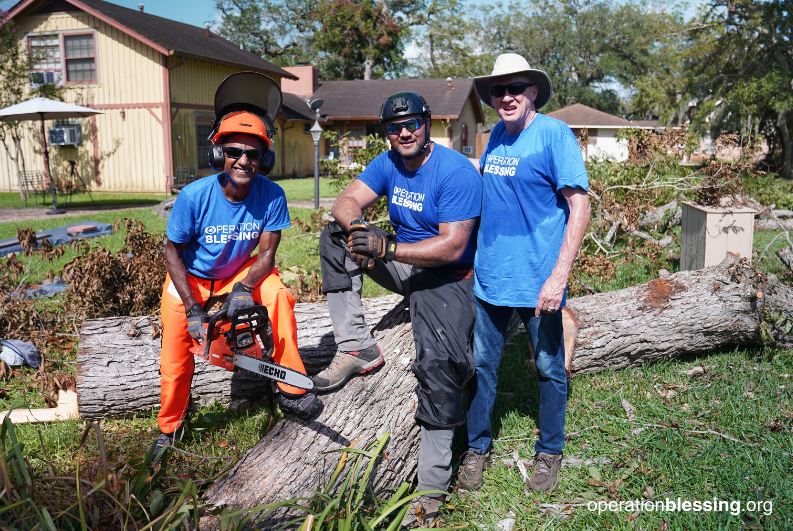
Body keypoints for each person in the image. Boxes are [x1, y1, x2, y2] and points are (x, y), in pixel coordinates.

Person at [316, 91, 482, 528]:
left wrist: (387, 246)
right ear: (386, 132)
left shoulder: (455, 171)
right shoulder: (388, 162)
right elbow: (345, 201)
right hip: (406, 265)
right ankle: (357, 347)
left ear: (428, 125)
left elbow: (454, 245)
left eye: (411, 124)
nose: (404, 132)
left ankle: (431, 489)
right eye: (394, 127)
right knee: (334, 239)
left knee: (438, 364)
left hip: (451, 278)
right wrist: (358, 230)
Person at [154, 74, 321, 457]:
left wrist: (245, 288)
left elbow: (266, 256)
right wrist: (194, 308)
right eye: (234, 151)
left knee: (279, 296)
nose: (243, 160)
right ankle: (170, 428)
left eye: (253, 153)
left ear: (266, 158)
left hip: (239, 274)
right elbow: (171, 253)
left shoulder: (272, 195)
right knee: (175, 359)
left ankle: (291, 388)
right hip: (191, 278)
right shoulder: (194, 196)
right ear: (219, 154)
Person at [457, 53, 591, 493]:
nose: (507, 97)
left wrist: (559, 276)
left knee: (550, 368)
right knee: (481, 367)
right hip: (490, 277)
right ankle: (477, 448)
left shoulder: (554, 135)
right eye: (499, 90)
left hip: (538, 283)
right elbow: (483, 187)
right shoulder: (495, 133)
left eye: (516, 88)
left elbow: (580, 206)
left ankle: (550, 452)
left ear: (533, 91)